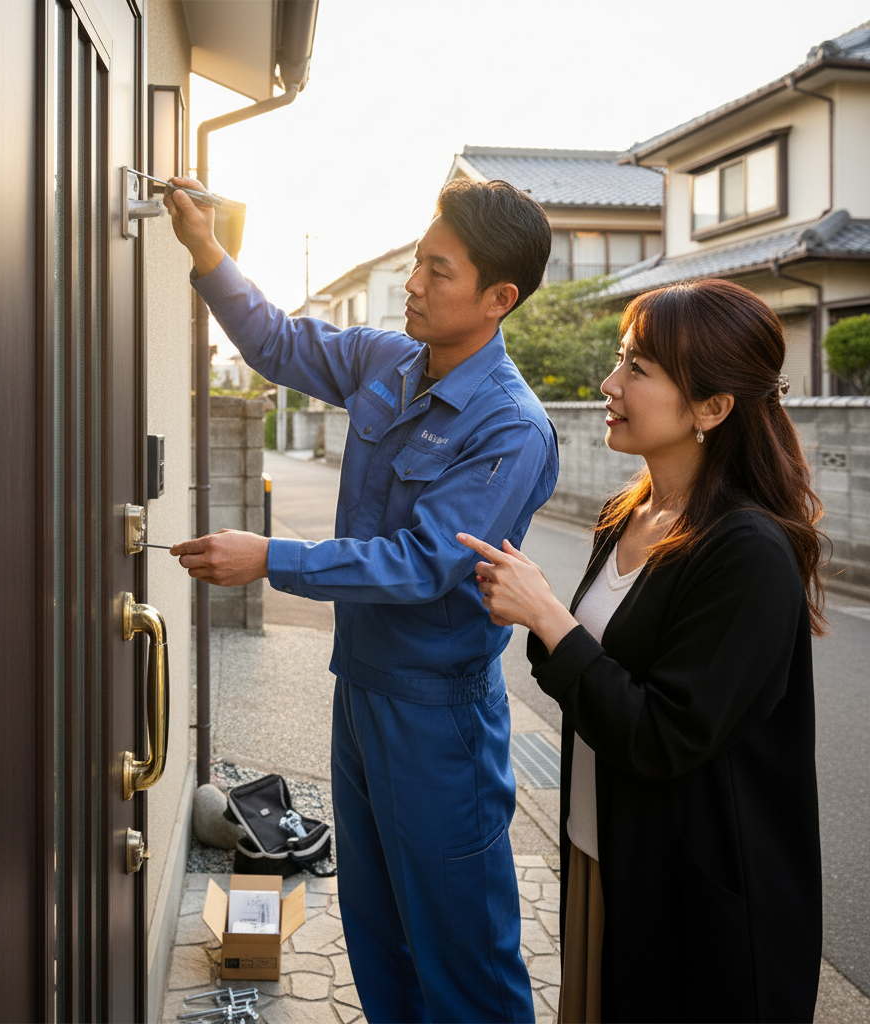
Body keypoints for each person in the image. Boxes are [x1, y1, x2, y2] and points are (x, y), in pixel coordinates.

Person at [164, 176, 557, 1022]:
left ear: (499, 298)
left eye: (438, 272)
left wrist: (271, 557)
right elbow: (276, 342)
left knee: (462, 951)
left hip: (439, 715)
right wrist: (205, 248)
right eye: (418, 261)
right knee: (379, 931)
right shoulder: (388, 360)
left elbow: (424, 563)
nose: (412, 284)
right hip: (363, 689)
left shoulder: (510, 426)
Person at [459, 278, 824, 1023]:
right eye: (621, 359)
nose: (609, 383)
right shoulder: (626, 513)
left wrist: (548, 617)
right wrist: (539, 613)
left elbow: (665, 736)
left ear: (712, 408)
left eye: (638, 369)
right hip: (603, 850)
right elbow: (589, 672)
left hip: (693, 898)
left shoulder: (747, 551)